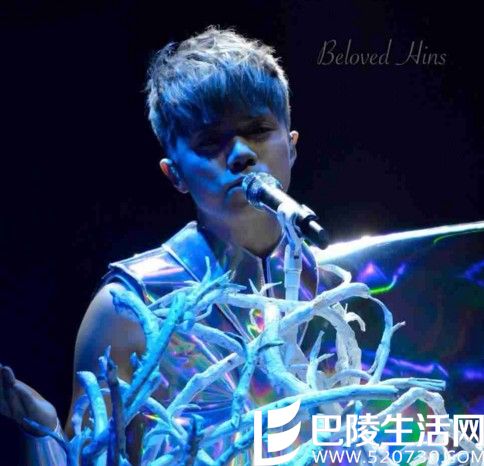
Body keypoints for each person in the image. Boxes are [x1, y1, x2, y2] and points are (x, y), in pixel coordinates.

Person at [0, 26, 325, 465]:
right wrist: (42, 437)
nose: (241, 155)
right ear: (174, 174)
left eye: (258, 129)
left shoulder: (339, 285)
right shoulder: (128, 307)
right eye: (210, 141)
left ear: (292, 145)